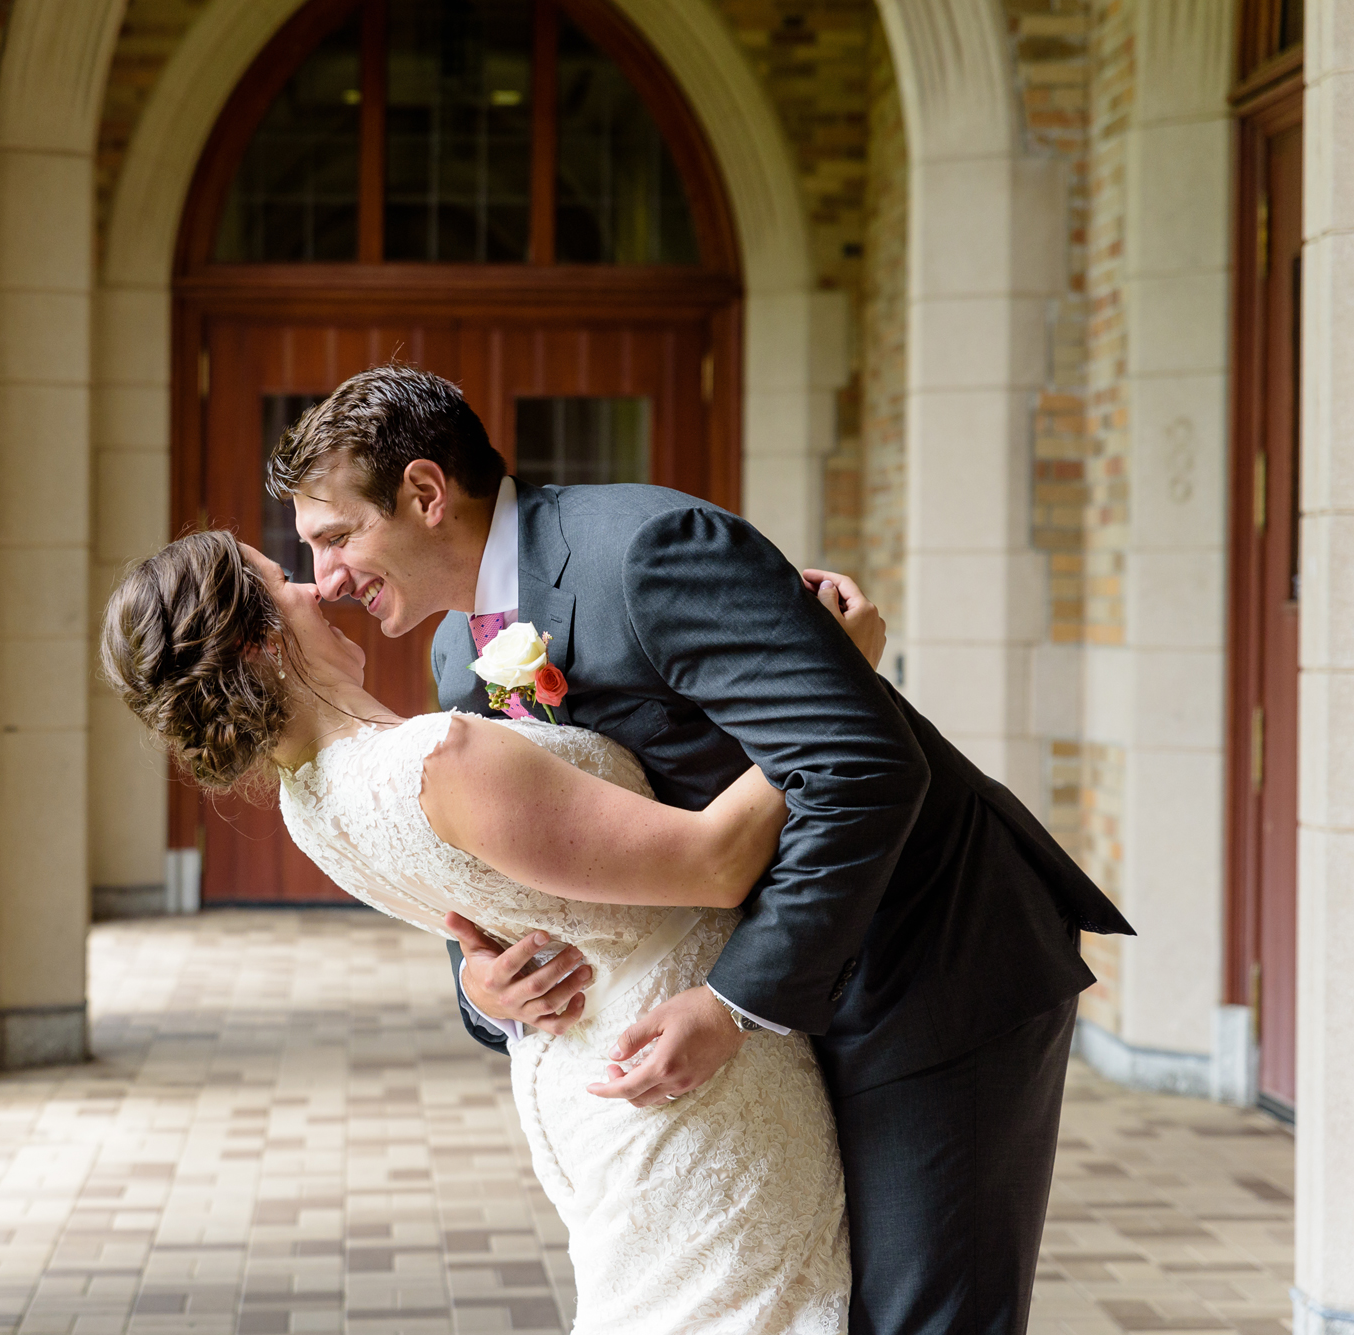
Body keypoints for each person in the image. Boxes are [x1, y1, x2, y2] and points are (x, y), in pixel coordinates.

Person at [264, 364, 1135, 1335]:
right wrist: (483, 987)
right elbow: (508, 853)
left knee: (918, 1319)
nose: (325, 580)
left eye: (336, 537)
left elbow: (859, 769)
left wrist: (732, 1004)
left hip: (927, 958)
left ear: (425, 494)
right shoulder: (451, 654)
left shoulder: (647, 549)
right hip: (790, 990)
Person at [104, 527, 893, 1332]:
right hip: (687, 1084)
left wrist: (485, 989)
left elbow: (500, 902)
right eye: (285, 581)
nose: (318, 588)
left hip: (591, 1082)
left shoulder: (308, 804)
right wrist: (835, 681)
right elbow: (719, 860)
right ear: (259, 639)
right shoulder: (442, 759)